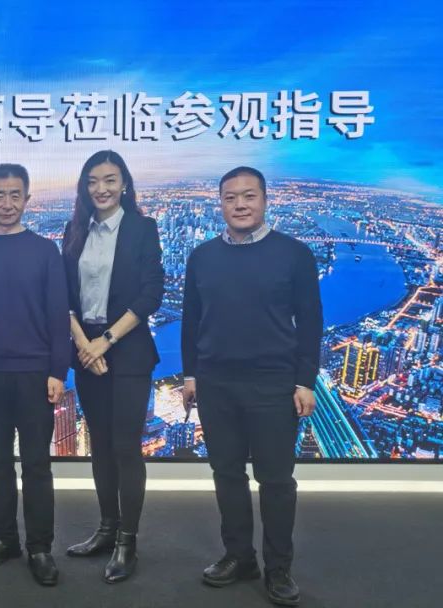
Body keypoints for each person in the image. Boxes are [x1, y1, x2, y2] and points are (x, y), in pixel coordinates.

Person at [182, 166, 322, 607]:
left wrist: (305, 381)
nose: (240, 205)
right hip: (216, 383)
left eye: (249, 196)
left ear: (265, 200)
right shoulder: (202, 256)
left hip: (273, 383)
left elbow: (311, 323)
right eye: (230, 197)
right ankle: (239, 557)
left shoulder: (294, 254)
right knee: (226, 475)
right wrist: (190, 374)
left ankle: (278, 568)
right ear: (220, 203)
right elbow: (190, 320)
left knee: (276, 480)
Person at [0, 163, 71, 587]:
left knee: (37, 465)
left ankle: (40, 547)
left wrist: (58, 371)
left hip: (34, 375)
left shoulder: (45, 252)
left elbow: (57, 316)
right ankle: (4, 538)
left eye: (15, 195)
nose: (7, 203)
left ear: (27, 199)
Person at [61, 150, 164, 583]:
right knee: (100, 446)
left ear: (124, 184)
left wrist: (105, 341)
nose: (100, 189)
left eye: (109, 179)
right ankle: (106, 528)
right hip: (87, 351)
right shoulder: (74, 230)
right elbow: (63, 295)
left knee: (125, 446)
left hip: (127, 349)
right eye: (92, 181)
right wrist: (84, 345)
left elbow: (151, 293)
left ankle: (127, 540)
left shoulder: (142, 228)